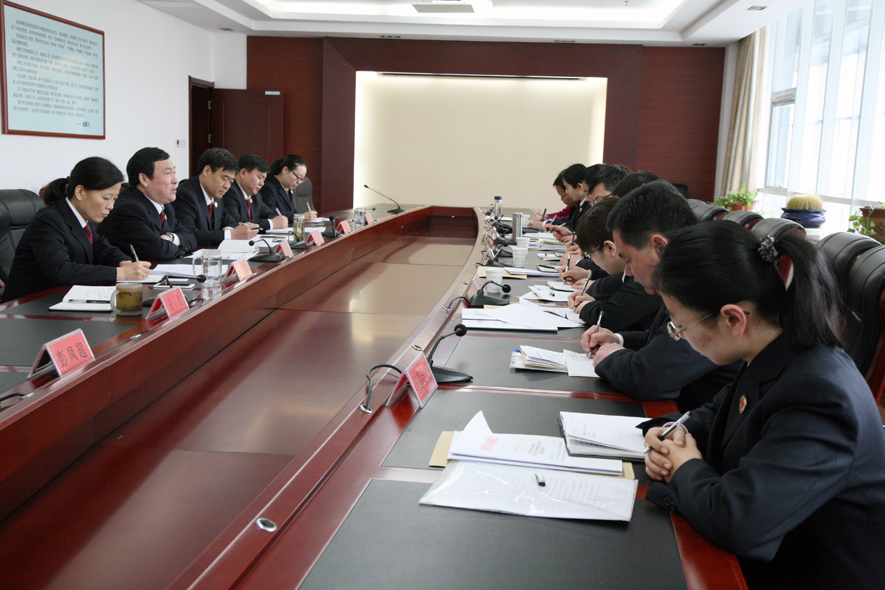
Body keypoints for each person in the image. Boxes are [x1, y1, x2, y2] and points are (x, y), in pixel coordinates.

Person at [642, 221, 885, 590]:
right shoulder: (776, 351)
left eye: (680, 327)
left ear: (732, 319)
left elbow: (738, 521)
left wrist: (685, 466)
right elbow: (717, 414)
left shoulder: (819, 395)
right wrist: (673, 435)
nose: (679, 337)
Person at [581, 180, 741, 410]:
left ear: (659, 247)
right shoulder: (683, 277)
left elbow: (649, 378)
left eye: (629, 259)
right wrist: (618, 340)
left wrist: (610, 358)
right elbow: (659, 339)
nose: (627, 272)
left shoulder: (705, 288)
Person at [2, 157, 151, 302]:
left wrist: (124, 262)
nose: (111, 206)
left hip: (63, 299)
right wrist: (120, 273)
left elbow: (103, 248)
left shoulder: (79, 218)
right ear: (80, 192)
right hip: (29, 306)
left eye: (114, 199)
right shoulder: (48, 220)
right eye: (106, 198)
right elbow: (61, 271)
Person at [568, 197, 661, 332]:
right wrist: (594, 300)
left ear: (610, 248)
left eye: (589, 253)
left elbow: (610, 317)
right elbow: (623, 301)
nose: (628, 271)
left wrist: (586, 307)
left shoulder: (648, 271)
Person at [97, 147, 198, 260]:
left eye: (174, 173)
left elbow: (191, 237)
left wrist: (170, 238)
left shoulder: (166, 207)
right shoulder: (128, 208)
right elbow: (158, 251)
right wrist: (182, 248)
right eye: (168, 173)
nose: (175, 180)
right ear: (144, 179)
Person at [173, 148, 260, 248]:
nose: (227, 186)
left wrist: (229, 229)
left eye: (231, 182)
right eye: (224, 179)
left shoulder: (216, 196)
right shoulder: (185, 195)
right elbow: (189, 235)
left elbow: (231, 221)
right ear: (207, 171)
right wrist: (231, 235)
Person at [221, 154, 288, 231]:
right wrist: (270, 223)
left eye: (264, 180)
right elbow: (235, 221)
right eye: (259, 178)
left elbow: (270, 213)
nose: (262, 184)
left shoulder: (256, 196)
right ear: (243, 173)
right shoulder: (229, 191)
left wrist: (278, 220)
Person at [258, 155, 318, 221]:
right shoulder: (267, 188)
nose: (299, 182)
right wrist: (301, 216)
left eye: (302, 179)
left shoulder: (289, 189)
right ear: (285, 170)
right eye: (298, 177)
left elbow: (292, 213)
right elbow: (272, 215)